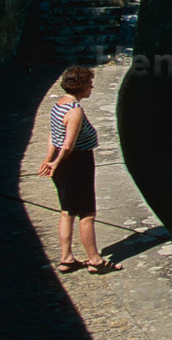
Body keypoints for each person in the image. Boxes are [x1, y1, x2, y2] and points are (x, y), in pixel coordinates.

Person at [39, 66, 120, 273]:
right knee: (87, 214)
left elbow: (53, 138)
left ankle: (66, 258)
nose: (92, 87)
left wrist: (49, 160)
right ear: (81, 86)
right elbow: (68, 144)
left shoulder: (58, 105)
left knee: (67, 212)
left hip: (63, 165)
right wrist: (56, 163)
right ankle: (95, 261)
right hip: (77, 164)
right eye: (89, 84)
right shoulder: (75, 110)